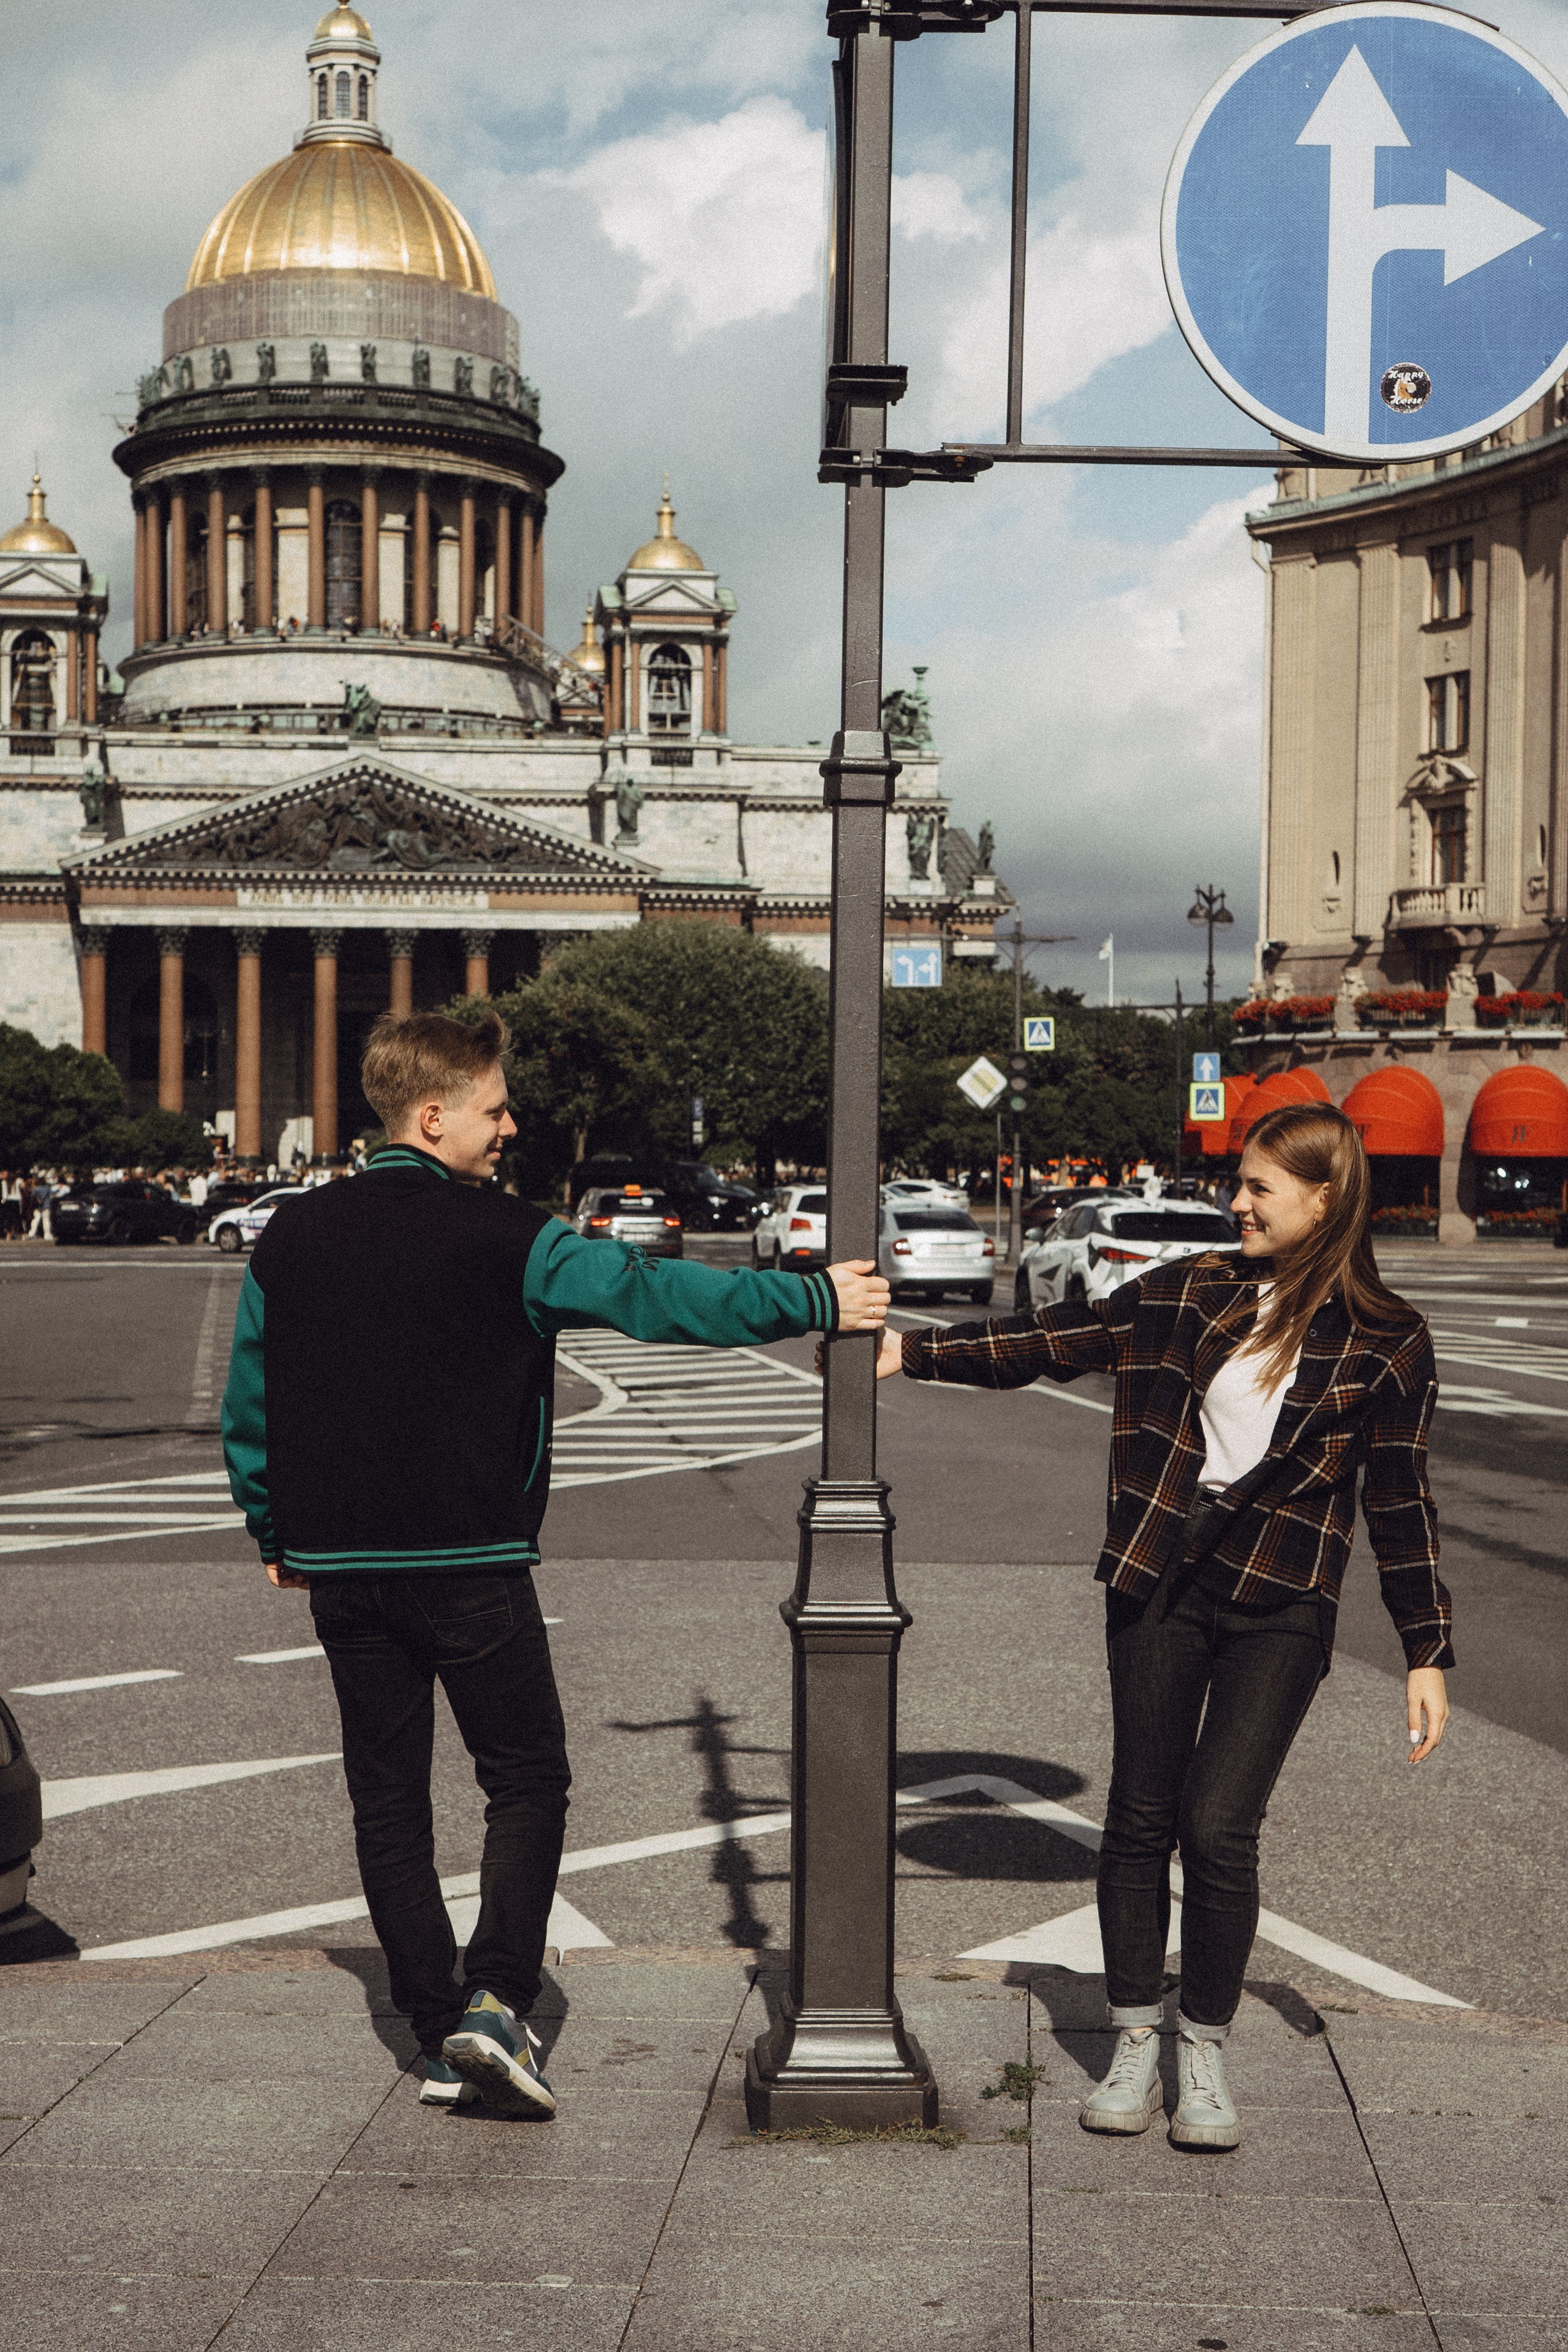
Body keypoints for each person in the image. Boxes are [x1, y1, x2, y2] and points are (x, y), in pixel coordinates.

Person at [222, 1009, 888, 2119]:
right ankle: (497, 2002)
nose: (509, 1125)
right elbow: (660, 1299)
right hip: (471, 1560)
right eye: (494, 1107)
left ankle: (436, 2027)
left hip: (339, 1563)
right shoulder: (511, 1235)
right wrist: (814, 1297)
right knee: (526, 1778)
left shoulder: (292, 1234)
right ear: (433, 1118)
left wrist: (271, 1533)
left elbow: (250, 1404)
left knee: (386, 1799)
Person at [877, 1101, 1450, 2152]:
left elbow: (1401, 1501)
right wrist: (916, 1354)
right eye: (1239, 1183)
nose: (1235, 1202)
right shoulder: (1191, 1292)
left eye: (1257, 1188)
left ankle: (1206, 2050)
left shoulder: (1388, 1341)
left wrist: (1426, 1649)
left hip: (1284, 1598)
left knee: (1220, 1825)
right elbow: (1053, 1339)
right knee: (1141, 1814)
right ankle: (1135, 2037)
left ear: (1325, 1200)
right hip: (1162, 1582)